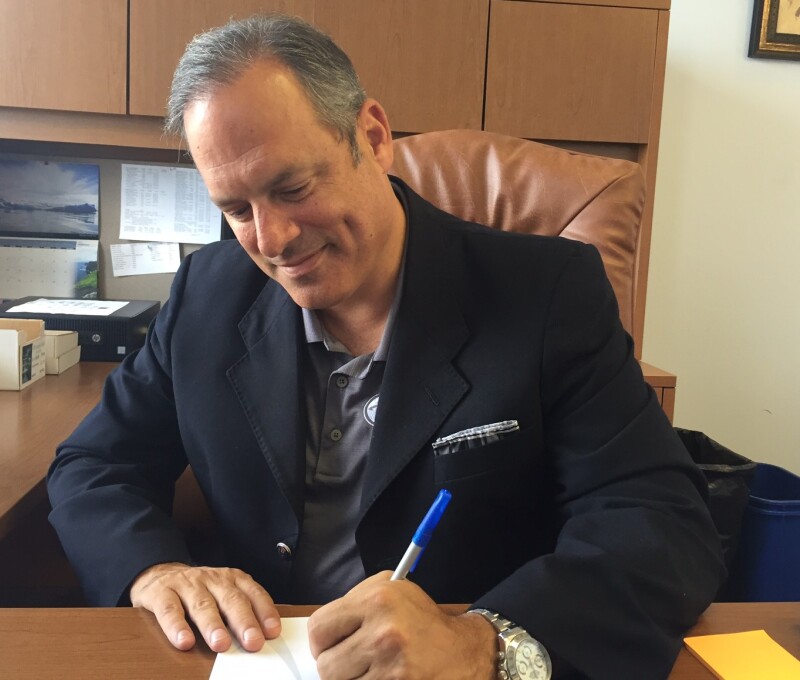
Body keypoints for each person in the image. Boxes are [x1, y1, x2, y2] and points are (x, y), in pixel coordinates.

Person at [47, 14, 725, 680]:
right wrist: (154, 569)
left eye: (292, 187)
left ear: (372, 137)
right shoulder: (208, 295)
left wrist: (483, 643)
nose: (273, 238)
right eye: (236, 209)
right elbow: (94, 465)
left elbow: (659, 523)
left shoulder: (546, 295)